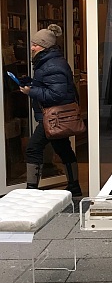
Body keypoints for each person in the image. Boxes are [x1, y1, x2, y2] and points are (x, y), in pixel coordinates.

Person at [19, 24, 82, 197]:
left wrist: (30, 91)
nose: (32, 47)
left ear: (45, 46)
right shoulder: (48, 61)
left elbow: (57, 94)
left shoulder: (51, 64)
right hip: (54, 116)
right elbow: (50, 86)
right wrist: (32, 83)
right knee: (63, 149)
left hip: (53, 116)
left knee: (33, 148)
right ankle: (74, 187)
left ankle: (31, 191)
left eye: (35, 44)